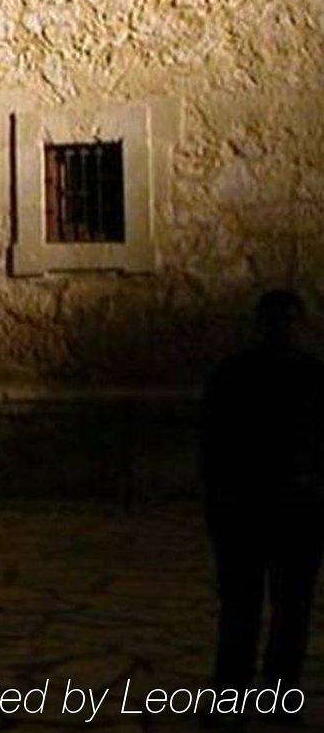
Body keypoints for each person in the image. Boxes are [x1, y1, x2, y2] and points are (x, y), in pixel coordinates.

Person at [202, 289, 324, 719]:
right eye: (277, 322)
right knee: (242, 611)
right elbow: (213, 448)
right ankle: (232, 699)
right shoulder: (234, 377)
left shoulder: (312, 377)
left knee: (289, 613)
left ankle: (276, 698)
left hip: (297, 513)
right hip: (248, 513)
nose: (283, 331)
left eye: (289, 322)